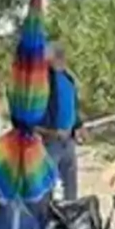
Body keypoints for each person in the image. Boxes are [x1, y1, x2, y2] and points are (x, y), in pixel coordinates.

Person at [36, 42, 83, 202]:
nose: (63, 59)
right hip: (49, 140)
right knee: (45, 187)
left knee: (70, 185)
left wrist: (79, 126)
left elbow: (72, 105)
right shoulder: (40, 80)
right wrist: (46, 131)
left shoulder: (68, 78)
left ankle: (69, 216)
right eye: (58, 55)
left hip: (68, 139)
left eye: (63, 55)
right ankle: (42, 221)